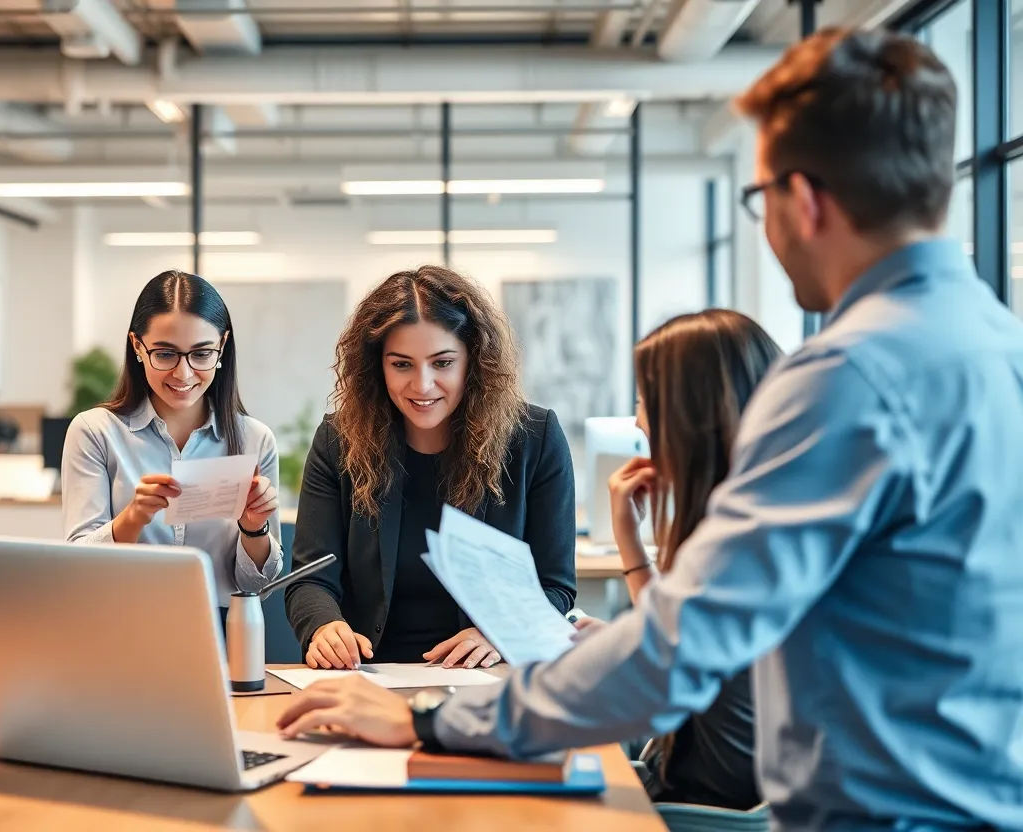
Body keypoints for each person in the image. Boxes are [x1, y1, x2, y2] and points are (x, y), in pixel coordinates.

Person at [273, 28, 1023, 830]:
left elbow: (680, 651)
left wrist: (428, 721)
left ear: (803, 201)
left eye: (759, 198)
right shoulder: (998, 349)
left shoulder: (846, 381)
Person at [285, 265, 576, 670]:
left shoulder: (534, 439)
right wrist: (323, 627)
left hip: (489, 675)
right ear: (376, 365)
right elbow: (311, 578)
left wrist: (499, 632)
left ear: (474, 361)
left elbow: (555, 586)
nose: (422, 386)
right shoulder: (339, 441)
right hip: (367, 675)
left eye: (442, 363)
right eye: (401, 364)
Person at [595, 309, 780, 810]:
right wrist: (629, 541)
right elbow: (678, 645)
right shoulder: (759, 520)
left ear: (692, 413)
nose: (637, 421)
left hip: (699, 812)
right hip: (695, 792)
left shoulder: (735, 547)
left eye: (644, 400)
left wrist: (439, 722)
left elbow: (658, 673)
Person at [62, 270, 282, 610]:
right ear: (138, 346)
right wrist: (133, 517)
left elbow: (259, 586)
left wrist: (253, 529)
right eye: (165, 354)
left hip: (220, 629)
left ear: (222, 346)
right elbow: (77, 571)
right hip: (122, 625)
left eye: (201, 354)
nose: (183, 373)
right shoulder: (95, 432)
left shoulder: (255, 439)